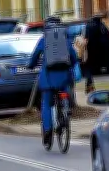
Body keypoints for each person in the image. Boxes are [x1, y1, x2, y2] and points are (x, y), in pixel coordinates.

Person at [27, 16, 78, 147]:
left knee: (46, 103)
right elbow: (73, 56)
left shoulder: (44, 39)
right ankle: (66, 108)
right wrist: (71, 65)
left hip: (48, 78)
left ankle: (48, 130)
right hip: (64, 76)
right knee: (65, 91)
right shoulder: (65, 38)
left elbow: (35, 56)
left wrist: (30, 65)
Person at [82, 17, 108, 92]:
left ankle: (89, 86)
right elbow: (105, 36)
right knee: (93, 68)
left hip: (89, 50)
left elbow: (85, 38)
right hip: (99, 51)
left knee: (88, 68)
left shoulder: (88, 26)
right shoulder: (102, 26)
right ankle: (90, 86)